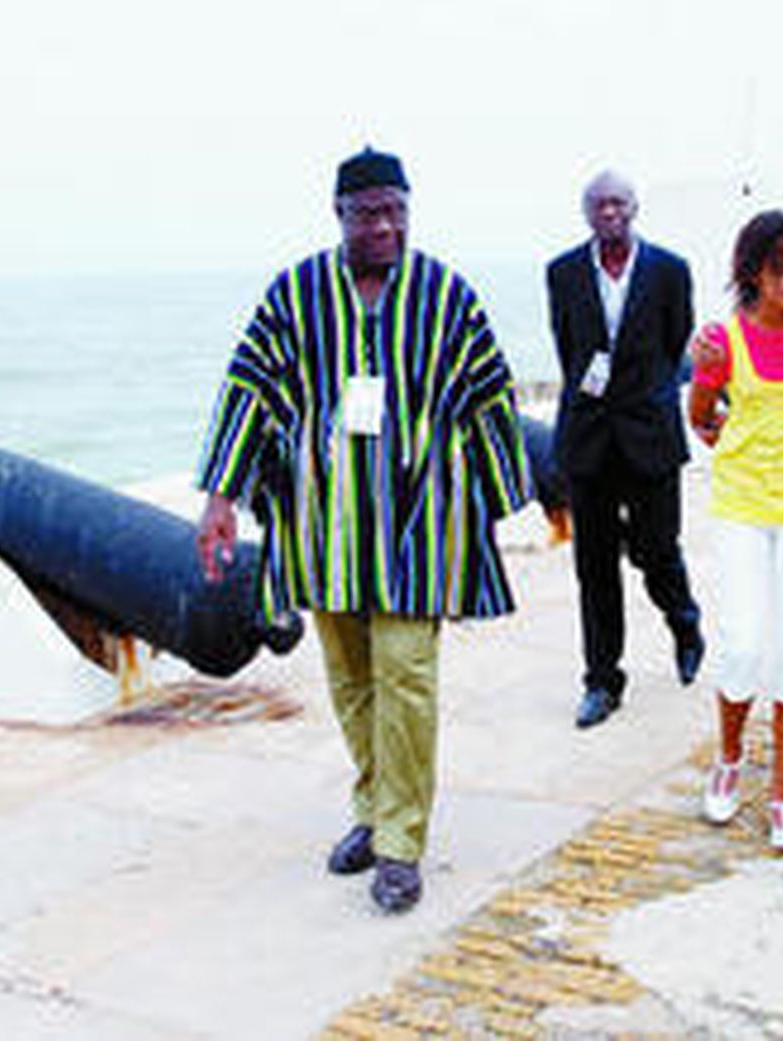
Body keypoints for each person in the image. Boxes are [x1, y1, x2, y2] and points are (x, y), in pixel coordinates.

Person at [194, 148, 531, 914]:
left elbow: (490, 393)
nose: (385, 226)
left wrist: (495, 506)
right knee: (350, 679)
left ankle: (401, 843)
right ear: (339, 214)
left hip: (419, 525)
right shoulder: (296, 294)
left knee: (405, 675)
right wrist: (221, 497)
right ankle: (375, 806)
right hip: (325, 526)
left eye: (396, 211)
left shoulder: (445, 294)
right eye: (369, 213)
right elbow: (248, 386)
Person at [687, 211, 783, 850]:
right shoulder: (723, 340)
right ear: (752, 274)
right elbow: (700, 416)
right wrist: (727, 432)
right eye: (779, 270)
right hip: (742, 509)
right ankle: (730, 756)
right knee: (742, 644)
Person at [547, 170, 705, 730]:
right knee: (594, 566)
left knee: (656, 550)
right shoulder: (563, 272)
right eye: (598, 204)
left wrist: (639, 391)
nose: (609, 212)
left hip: (649, 434)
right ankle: (602, 680)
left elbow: (674, 342)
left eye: (617, 203)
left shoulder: (670, 270)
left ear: (635, 207)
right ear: (586, 212)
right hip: (588, 438)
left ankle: (684, 623)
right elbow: (569, 348)